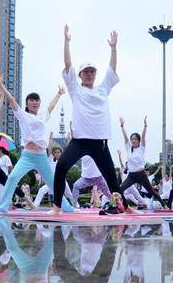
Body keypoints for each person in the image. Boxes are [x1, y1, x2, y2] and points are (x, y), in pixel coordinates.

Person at [52, 25, 128, 214]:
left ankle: (124, 207)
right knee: (61, 167)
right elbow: (68, 65)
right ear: (80, 75)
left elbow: (112, 69)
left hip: (100, 143)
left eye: (92, 71)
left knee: (111, 178)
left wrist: (113, 48)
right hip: (79, 141)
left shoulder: (103, 89)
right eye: (86, 71)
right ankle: (56, 208)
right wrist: (67, 42)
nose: (89, 73)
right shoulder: (75, 90)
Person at [0, 78, 74, 212]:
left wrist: (59, 94)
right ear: (27, 103)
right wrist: (1, 85)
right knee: (13, 177)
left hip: (41, 156)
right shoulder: (22, 115)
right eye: (31, 100)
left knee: (52, 183)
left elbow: (51, 107)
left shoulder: (43, 115)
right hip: (28, 156)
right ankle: (1, 208)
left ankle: (66, 207)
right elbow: (12, 100)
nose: (34, 102)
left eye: (36, 100)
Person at [119, 116, 164, 207]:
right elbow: (125, 137)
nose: (133, 140)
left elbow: (143, 136)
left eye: (135, 139)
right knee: (120, 189)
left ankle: (164, 205)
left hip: (141, 174)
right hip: (131, 176)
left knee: (151, 191)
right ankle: (124, 206)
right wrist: (122, 126)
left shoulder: (141, 148)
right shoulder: (128, 148)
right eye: (132, 139)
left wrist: (145, 126)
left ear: (139, 141)